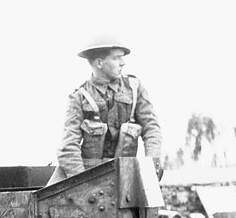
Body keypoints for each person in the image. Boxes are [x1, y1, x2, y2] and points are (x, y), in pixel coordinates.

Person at [47, 38, 162, 185]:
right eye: (116, 58)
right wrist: (83, 185)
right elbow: (68, 147)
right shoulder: (80, 97)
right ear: (99, 63)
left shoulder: (134, 89)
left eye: (122, 57)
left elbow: (151, 128)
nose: (123, 63)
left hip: (125, 177)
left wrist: (151, 164)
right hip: (90, 177)